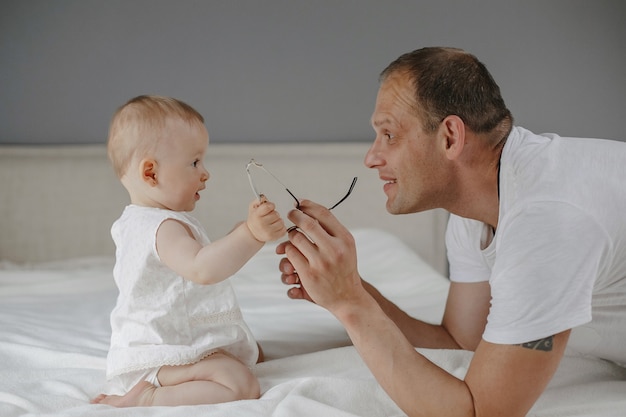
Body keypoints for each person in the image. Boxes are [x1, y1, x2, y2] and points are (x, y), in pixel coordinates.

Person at [276, 47, 626, 417]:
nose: (372, 157)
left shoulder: (545, 222)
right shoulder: (480, 204)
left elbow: (477, 413)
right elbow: (461, 341)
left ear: (450, 137)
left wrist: (352, 305)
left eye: (389, 135)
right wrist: (348, 287)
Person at [92, 95, 286, 407]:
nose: (205, 172)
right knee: (240, 384)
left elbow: (195, 260)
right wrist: (250, 235)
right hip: (161, 354)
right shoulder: (163, 227)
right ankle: (147, 398)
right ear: (151, 174)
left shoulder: (139, 220)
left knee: (249, 351)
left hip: (159, 340)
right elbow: (202, 269)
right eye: (195, 162)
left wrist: (239, 234)